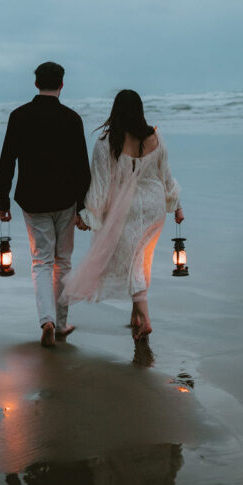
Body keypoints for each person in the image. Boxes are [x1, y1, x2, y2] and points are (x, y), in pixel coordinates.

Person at [62, 89, 184, 338]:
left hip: (126, 209)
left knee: (134, 262)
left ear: (115, 111)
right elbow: (166, 176)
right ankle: (136, 313)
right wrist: (177, 206)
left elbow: (100, 185)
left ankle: (145, 317)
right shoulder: (155, 137)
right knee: (141, 259)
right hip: (154, 206)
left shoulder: (107, 142)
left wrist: (89, 215)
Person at [0, 62, 91, 347]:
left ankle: (46, 320)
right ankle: (60, 324)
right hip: (65, 200)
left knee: (42, 262)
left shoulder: (19, 116)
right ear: (62, 85)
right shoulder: (72, 119)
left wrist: (2, 199)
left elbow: (7, 160)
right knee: (63, 262)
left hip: (33, 199)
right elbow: (82, 168)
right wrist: (83, 207)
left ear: (36, 84)